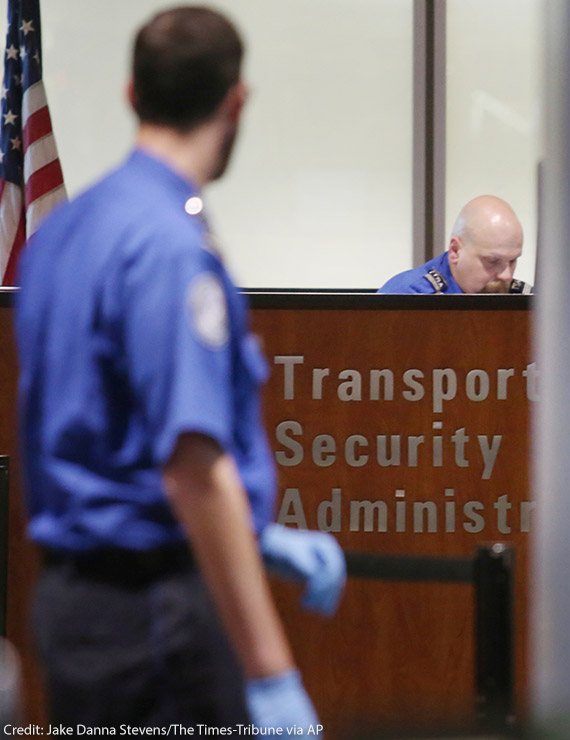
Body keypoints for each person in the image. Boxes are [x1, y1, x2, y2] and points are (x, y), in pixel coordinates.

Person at [15, 7, 344, 728]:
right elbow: (192, 466)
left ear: (133, 94)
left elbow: (99, 417)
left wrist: (256, 535)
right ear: (237, 101)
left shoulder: (65, 231)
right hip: (156, 617)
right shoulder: (169, 247)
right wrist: (272, 671)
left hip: (74, 608)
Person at [379, 195, 532, 294]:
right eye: (493, 261)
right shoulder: (406, 298)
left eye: (512, 261)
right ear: (455, 251)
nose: (507, 276)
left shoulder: (527, 303)